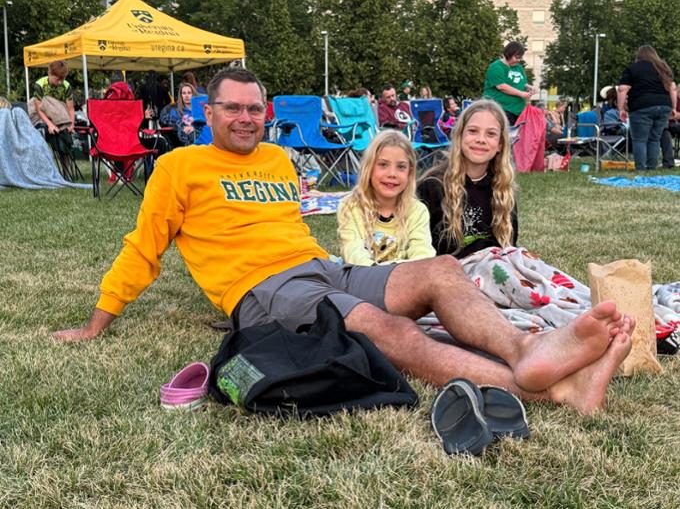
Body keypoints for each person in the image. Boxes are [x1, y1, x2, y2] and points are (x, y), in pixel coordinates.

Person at [53, 68, 634, 415]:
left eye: (257, 108)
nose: (247, 117)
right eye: (233, 107)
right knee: (380, 327)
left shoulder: (279, 158)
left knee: (440, 273)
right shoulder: (179, 166)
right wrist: (95, 323)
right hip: (263, 290)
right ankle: (544, 391)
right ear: (209, 110)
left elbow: (295, 227)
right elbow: (143, 248)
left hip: (321, 265)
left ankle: (524, 352)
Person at [418, 100, 518, 258]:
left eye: (491, 134)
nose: (481, 139)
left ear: (500, 144)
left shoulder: (502, 189)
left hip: (496, 272)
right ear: (459, 136)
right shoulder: (432, 186)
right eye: (473, 131)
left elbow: (511, 247)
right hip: (448, 274)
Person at [337, 130, 436, 266]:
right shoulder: (350, 206)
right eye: (383, 165)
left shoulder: (417, 211)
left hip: (403, 277)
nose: (392, 174)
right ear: (369, 168)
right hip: (361, 276)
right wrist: (377, 273)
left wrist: (405, 272)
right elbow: (352, 250)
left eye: (401, 167)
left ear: (410, 172)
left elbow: (422, 251)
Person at [617, 45, 676, 170]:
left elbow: (623, 89)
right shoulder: (663, 68)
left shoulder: (633, 68)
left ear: (638, 56)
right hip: (664, 105)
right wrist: (674, 108)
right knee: (655, 139)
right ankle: (651, 168)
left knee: (640, 139)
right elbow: (672, 88)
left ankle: (641, 169)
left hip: (641, 106)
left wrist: (621, 109)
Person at [483, 41, 537, 126]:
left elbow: (523, 83)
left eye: (520, 58)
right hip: (501, 110)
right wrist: (521, 94)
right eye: (516, 57)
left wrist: (529, 87)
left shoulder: (518, 68)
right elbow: (501, 86)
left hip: (518, 111)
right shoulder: (496, 67)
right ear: (509, 53)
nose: (518, 60)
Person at [31, 60, 76, 135]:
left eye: (63, 79)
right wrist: (50, 125)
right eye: (57, 79)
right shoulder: (39, 85)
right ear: (49, 74)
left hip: (57, 111)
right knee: (44, 100)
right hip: (39, 111)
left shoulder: (66, 86)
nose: (60, 82)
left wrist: (71, 124)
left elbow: (70, 108)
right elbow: (38, 109)